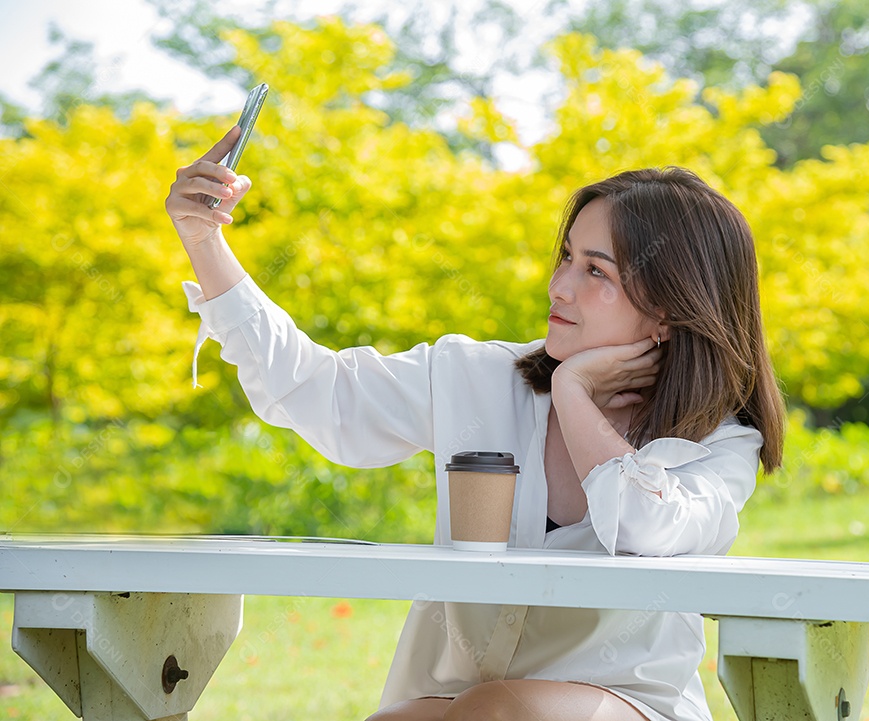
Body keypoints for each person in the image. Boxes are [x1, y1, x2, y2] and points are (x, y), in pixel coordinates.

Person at [166, 124, 786, 721]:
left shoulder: (720, 445)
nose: (559, 286)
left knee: (493, 712)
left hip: (626, 702)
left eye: (596, 271)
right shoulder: (478, 377)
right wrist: (204, 241)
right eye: (566, 258)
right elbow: (314, 392)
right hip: (462, 701)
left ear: (670, 313)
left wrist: (572, 393)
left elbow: (642, 527)